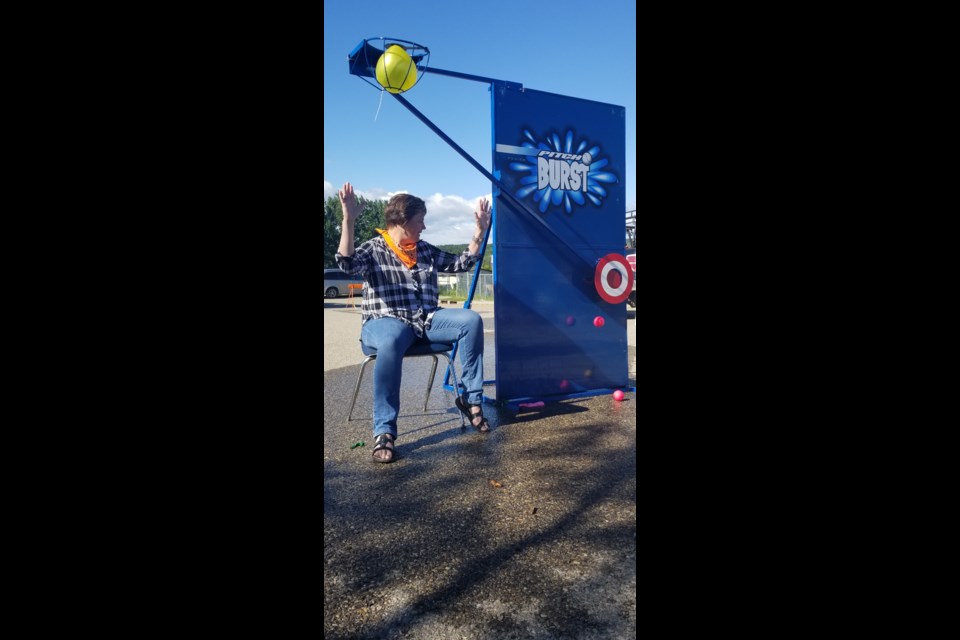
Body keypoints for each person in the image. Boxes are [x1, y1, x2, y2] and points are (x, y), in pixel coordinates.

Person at [336, 182, 492, 463]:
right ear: (403, 221)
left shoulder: (424, 250)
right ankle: (384, 431)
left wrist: (479, 231)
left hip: (424, 321)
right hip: (384, 322)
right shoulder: (374, 249)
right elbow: (346, 263)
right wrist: (348, 220)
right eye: (420, 221)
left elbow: (462, 263)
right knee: (392, 337)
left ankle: (471, 400)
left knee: (470, 320)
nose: (424, 227)